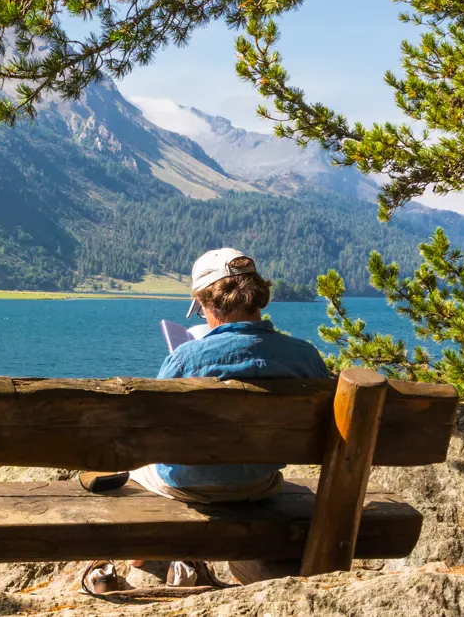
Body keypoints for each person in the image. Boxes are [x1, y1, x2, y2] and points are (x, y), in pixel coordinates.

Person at [82, 247, 331, 594]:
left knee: (121, 470)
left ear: (208, 302)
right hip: (259, 482)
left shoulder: (186, 357)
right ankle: (171, 561)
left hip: (188, 485)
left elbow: (146, 430)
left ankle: (131, 556)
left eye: (201, 307)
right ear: (258, 297)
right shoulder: (305, 356)